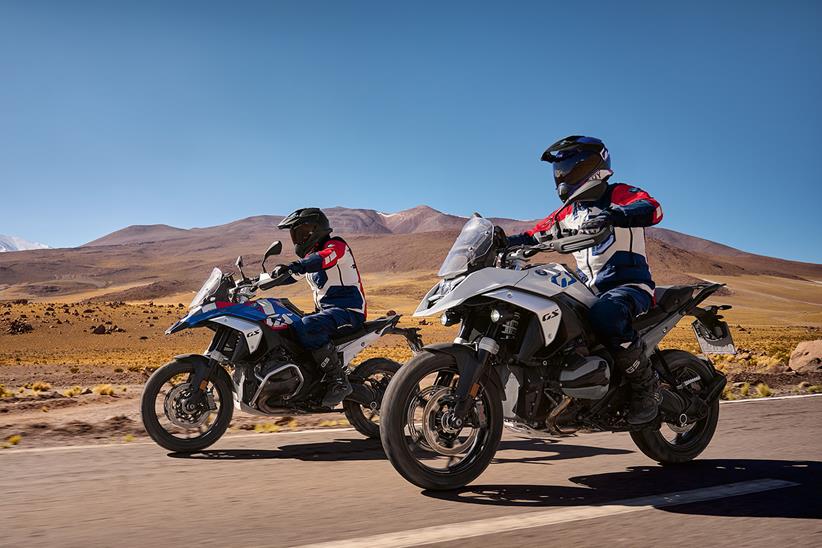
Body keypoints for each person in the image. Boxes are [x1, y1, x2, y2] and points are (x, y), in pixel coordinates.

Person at [507, 136, 664, 424]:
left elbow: (652, 209)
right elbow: (533, 235)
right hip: (587, 289)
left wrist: (615, 215)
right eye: (559, 170)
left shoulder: (618, 194)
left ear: (591, 167)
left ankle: (647, 387)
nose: (562, 176)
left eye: (568, 167)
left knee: (605, 314)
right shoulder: (568, 213)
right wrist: (502, 240)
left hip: (628, 286)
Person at [273, 208, 367, 408]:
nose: (297, 238)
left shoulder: (335, 246)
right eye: (294, 234)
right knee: (285, 323)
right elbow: (291, 276)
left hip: (349, 312)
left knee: (307, 326)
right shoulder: (311, 258)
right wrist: (260, 282)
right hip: (328, 314)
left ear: (315, 230)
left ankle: (338, 380)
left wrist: (295, 265)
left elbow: (325, 258)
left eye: (301, 232)